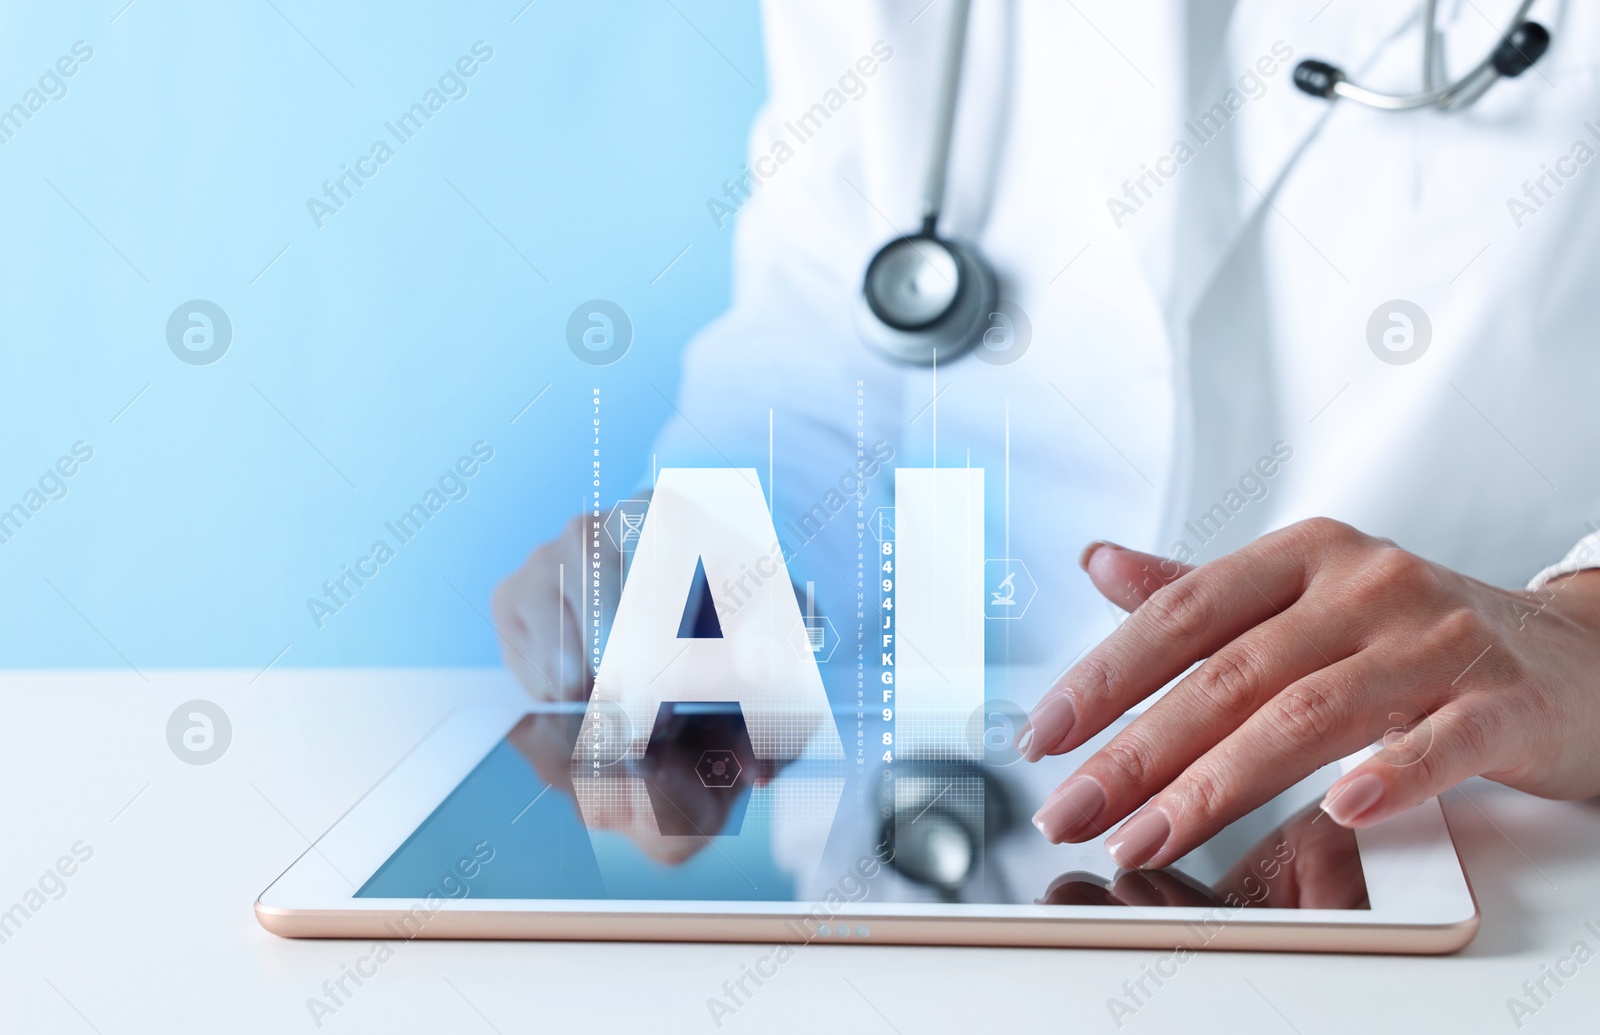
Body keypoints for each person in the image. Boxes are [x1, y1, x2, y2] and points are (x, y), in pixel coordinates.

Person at [494, 0, 1600, 870]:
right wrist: (713, 564)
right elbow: (833, 337)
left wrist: (1580, 633)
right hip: (937, 895)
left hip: (1465, 865)